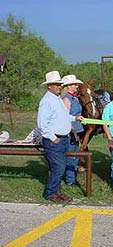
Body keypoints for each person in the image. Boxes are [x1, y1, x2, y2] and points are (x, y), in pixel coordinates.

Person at [37, 71, 83, 203]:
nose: (59, 86)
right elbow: (42, 123)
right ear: (49, 86)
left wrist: (74, 117)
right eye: (56, 84)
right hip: (54, 141)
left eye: (60, 84)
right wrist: (52, 137)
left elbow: (62, 117)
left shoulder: (56, 99)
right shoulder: (46, 101)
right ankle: (50, 193)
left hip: (62, 139)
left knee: (57, 168)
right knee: (59, 167)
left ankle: (56, 191)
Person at [61, 75, 84, 186]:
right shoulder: (66, 99)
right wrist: (72, 131)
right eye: (74, 84)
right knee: (71, 155)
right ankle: (70, 180)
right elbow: (65, 118)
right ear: (69, 86)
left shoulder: (74, 98)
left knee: (75, 155)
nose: (76, 86)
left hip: (76, 130)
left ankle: (72, 177)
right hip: (70, 132)